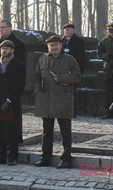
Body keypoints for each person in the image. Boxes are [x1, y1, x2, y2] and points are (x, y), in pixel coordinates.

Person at [33, 36, 81, 168]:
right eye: (51, 45)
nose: (54, 47)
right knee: (46, 132)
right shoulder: (42, 59)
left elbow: (77, 76)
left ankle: (66, 159)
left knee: (65, 132)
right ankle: (45, 158)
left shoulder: (69, 60)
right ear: (48, 46)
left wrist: (61, 78)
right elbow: (36, 76)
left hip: (63, 99)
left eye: (56, 45)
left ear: (61, 45)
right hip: (45, 100)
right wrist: (38, 90)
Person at [0, 40, 26, 166]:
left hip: (12, 103)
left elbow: (19, 86)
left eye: (7, 49)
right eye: (2, 48)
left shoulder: (19, 65)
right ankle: (1, 156)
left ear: (12, 50)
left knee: (12, 132)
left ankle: (12, 157)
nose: (4, 51)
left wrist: (9, 100)